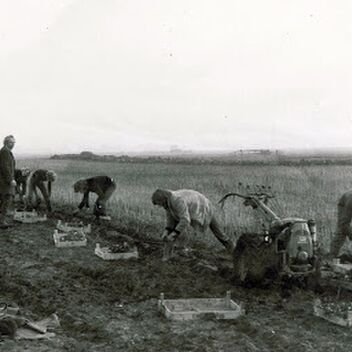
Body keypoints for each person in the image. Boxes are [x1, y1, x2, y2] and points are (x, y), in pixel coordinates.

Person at [151, 188, 235, 261]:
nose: (160, 206)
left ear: (163, 199)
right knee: (170, 234)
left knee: (218, 231)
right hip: (192, 207)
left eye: (159, 204)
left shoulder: (177, 200)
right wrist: (166, 231)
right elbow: (170, 220)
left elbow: (185, 220)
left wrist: (174, 233)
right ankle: (167, 256)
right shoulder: (168, 203)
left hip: (203, 206)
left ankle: (233, 251)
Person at [330, 190, 352, 259]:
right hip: (344, 203)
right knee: (341, 230)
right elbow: (344, 223)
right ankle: (332, 256)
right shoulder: (350, 202)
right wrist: (351, 234)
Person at [0, 135, 16, 229]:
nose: (13, 144)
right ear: (6, 142)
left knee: (4, 201)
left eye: (14, 143)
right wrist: (10, 180)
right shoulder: (5, 152)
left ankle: (2, 220)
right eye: (11, 142)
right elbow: (5, 167)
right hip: (5, 182)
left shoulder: (5, 151)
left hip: (3, 181)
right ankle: (2, 222)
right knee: (6, 201)